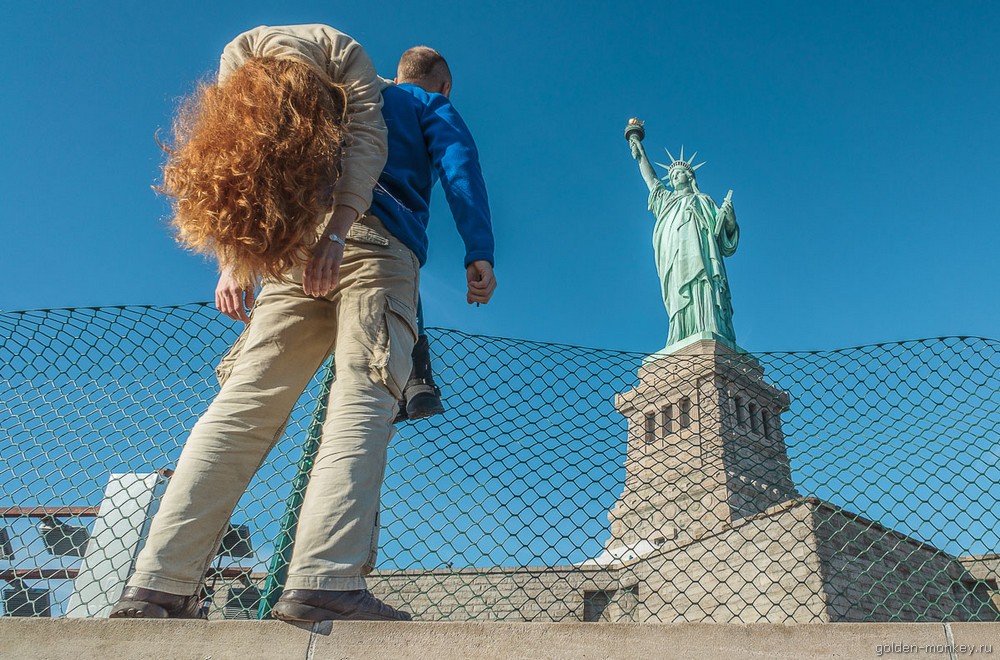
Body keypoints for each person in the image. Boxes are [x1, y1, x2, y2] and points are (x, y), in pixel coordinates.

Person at [111, 24, 415, 622]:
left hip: (285, 246)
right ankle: (325, 580)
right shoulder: (345, 52)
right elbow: (367, 142)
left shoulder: (240, 54)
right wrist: (335, 234)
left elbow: (241, 161)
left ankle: (157, 586)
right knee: (360, 400)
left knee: (242, 407)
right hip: (367, 245)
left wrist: (236, 260)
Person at [370, 47, 496, 423]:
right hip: (382, 239)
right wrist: (479, 250)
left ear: (397, 77)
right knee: (368, 396)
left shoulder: (361, 95)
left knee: (259, 387)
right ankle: (416, 374)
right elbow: (460, 169)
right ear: (445, 88)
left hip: (311, 241)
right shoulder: (430, 104)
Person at [629, 133, 739, 348]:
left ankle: (710, 325)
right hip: (674, 256)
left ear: (689, 176)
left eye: (678, 173)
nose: (674, 178)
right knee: (679, 290)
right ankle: (681, 331)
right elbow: (651, 181)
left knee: (704, 284)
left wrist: (730, 219)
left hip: (703, 256)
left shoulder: (704, 200)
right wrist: (641, 154)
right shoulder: (666, 201)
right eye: (672, 176)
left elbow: (724, 240)